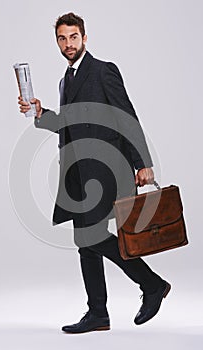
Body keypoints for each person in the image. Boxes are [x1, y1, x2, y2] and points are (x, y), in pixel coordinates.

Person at [18, 12, 171, 333]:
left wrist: (142, 162)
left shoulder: (103, 71)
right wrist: (40, 112)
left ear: (84, 38)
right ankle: (98, 314)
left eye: (73, 37)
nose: (68, 43)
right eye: (62, 38)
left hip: (107, 171)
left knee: (93, 237)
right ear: (57, 41)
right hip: (77, 175)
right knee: (85, 242)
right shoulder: (66, 80)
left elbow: (126, 115)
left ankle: (153, 284)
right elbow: (67, 124)